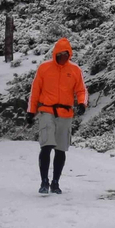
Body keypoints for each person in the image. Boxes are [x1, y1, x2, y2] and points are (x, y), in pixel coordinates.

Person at [28, 37, 88, 194]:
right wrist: (31, 111)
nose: (63, 58)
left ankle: (55, 182)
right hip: (46, 110)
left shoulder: (75, 70)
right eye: (60, 55)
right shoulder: (44, 68)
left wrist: (82, 103)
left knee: (60, 149)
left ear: (69, 54)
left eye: (66, 55)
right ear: (55, 54)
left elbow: (81, 90)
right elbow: (35, 91)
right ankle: (44, 182)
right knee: (46, 146)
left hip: (66, 113)